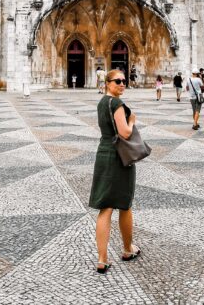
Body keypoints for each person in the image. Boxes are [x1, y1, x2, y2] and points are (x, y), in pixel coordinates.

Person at [89, 69, 140, 274]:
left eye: (124, 81)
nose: (122, 84)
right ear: (107, 83)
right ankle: (128, 249)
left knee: (105, 208)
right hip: (119, 156)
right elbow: (125, 133)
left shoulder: (102, 102)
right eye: (117, 81)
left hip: (103, 153)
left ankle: (102, 259)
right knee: (124, 204)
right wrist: (132, 120)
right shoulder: (117, 104)